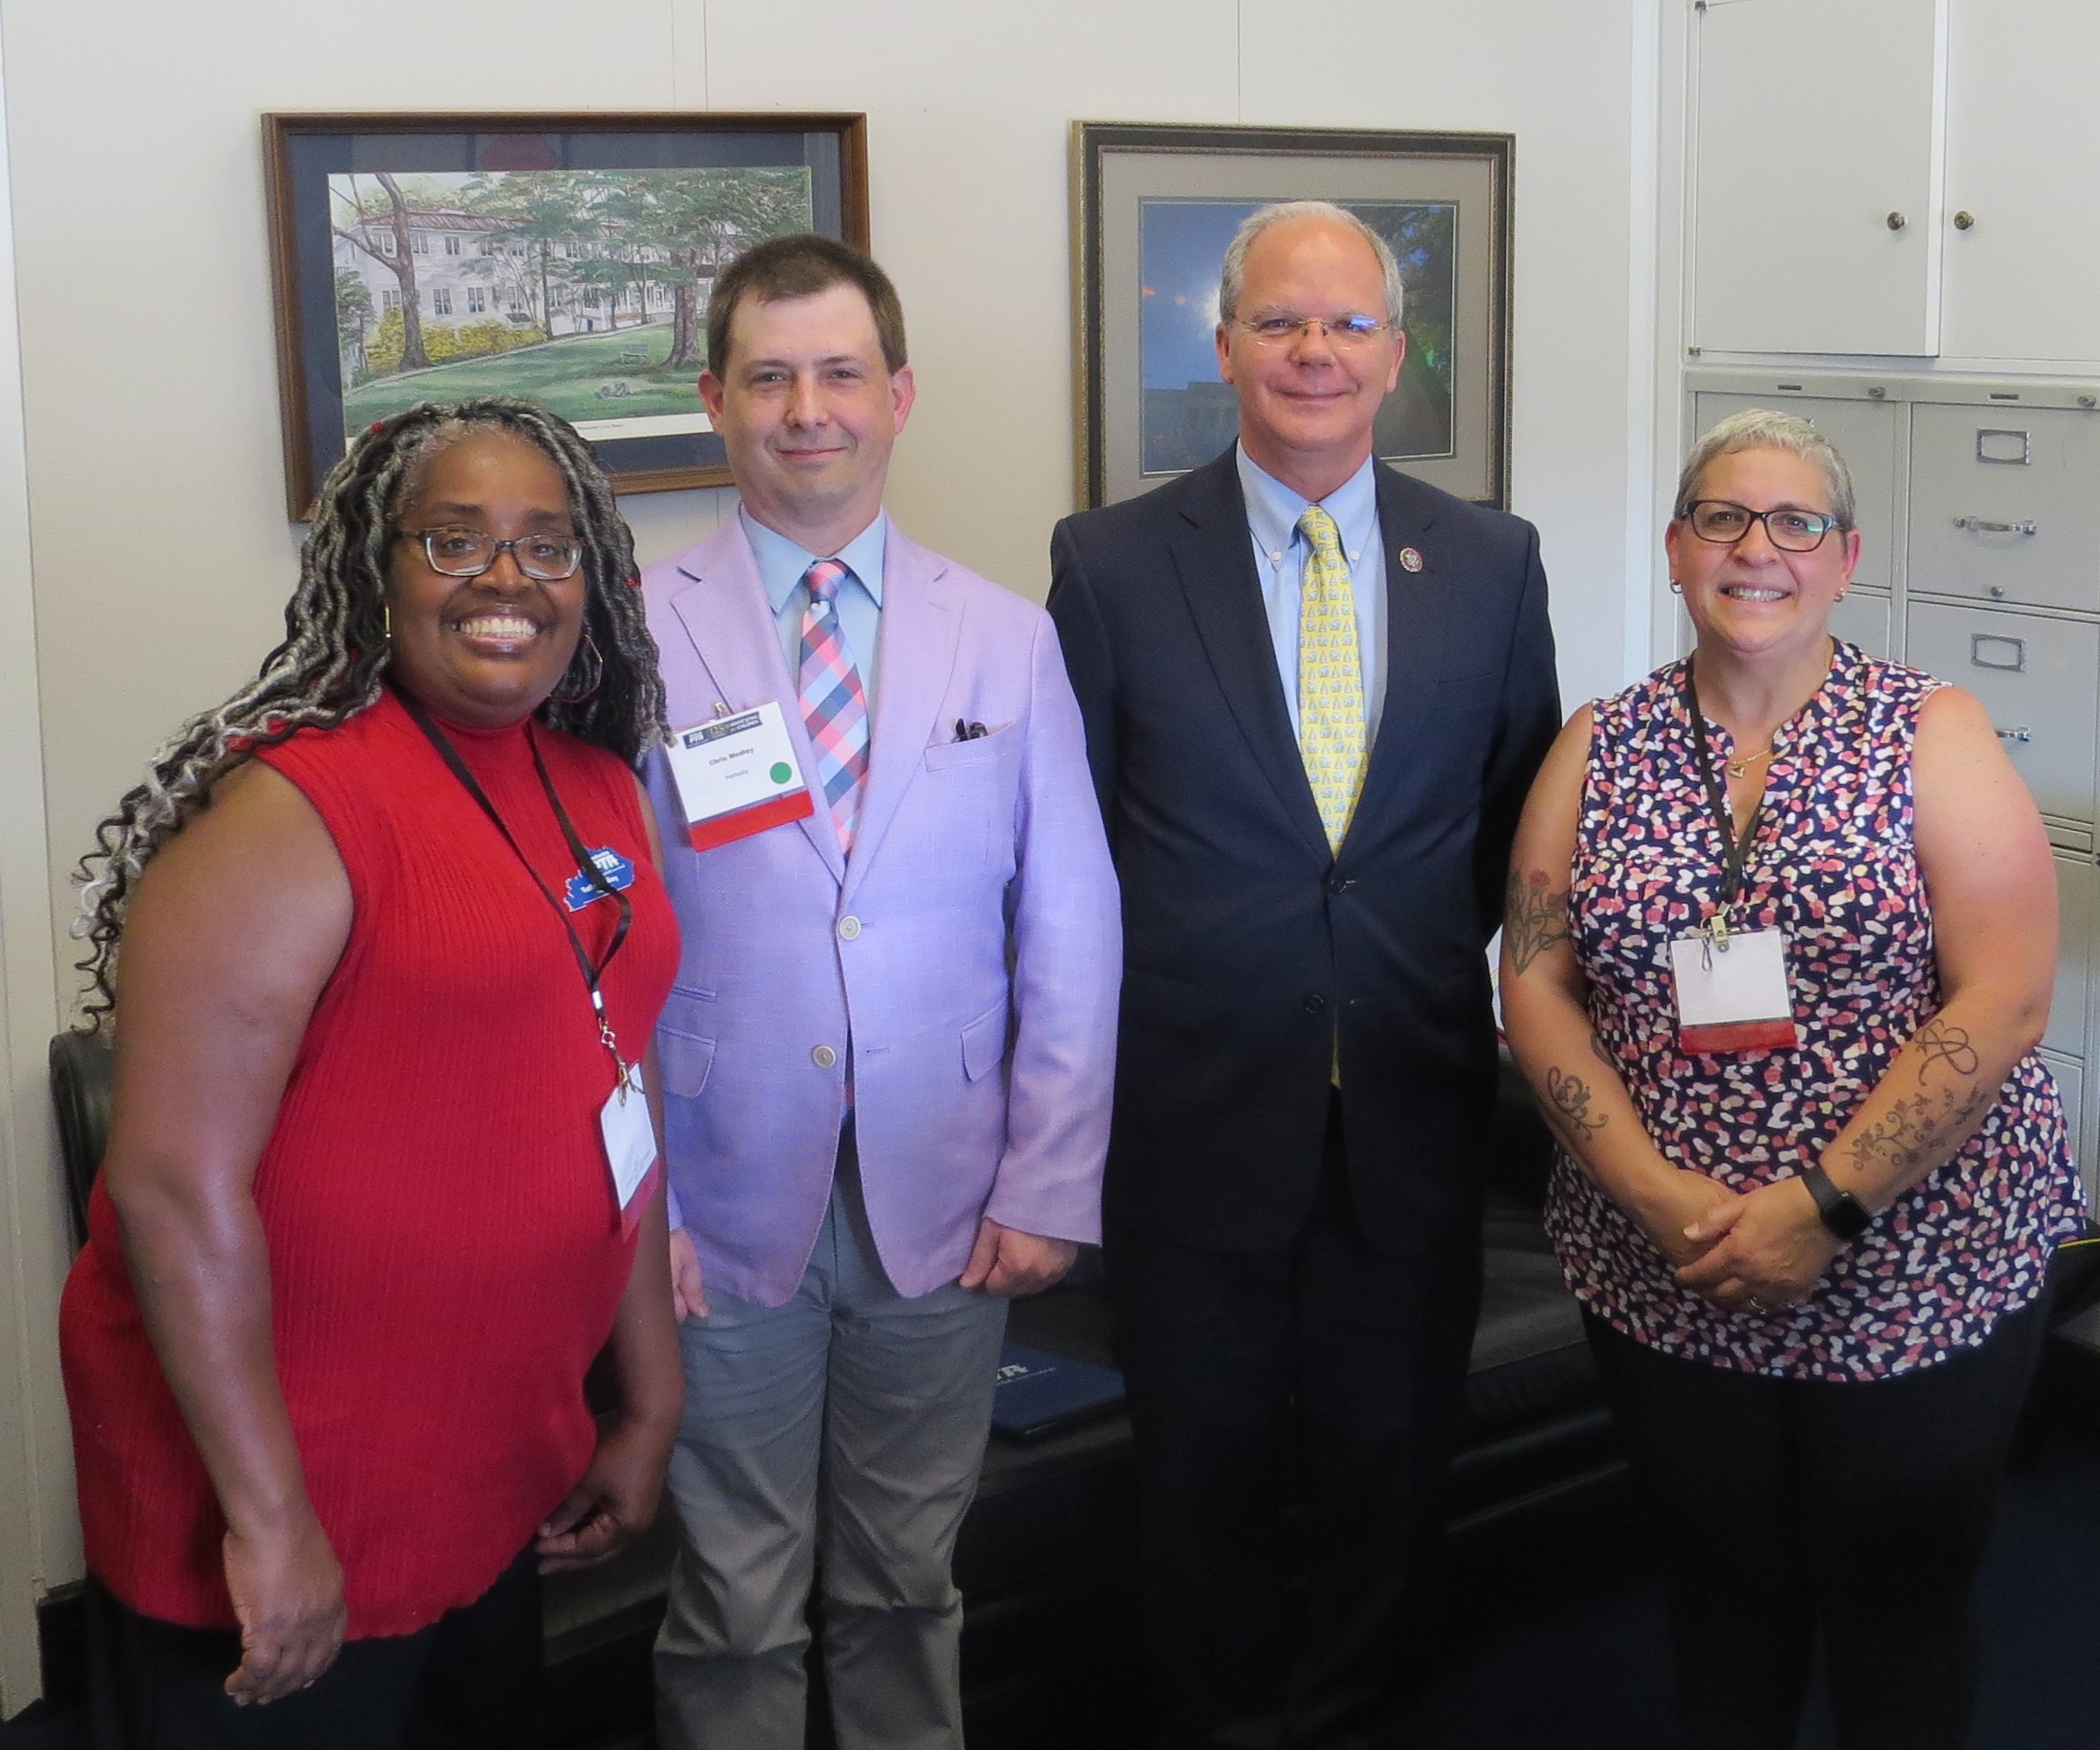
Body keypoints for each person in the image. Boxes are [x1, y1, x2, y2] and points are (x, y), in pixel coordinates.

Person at [57, 399, 683, 1749]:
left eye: (546, 544)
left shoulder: (597, 787)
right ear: (372, 570)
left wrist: (650, 1393)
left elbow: (614, 1091)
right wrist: (272, 1524)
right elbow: (171, 1189)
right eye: (452, 544)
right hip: (288, 1487)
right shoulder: (286, 810)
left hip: (487, 1460)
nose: (507, 580)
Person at [1047, 200, 1560, 1748]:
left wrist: (1391, 962)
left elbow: (1511, 827)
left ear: (1396, 354)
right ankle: (1217, 1720)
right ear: (1222, 348)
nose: (1313, 354)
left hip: (1407, 1099)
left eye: (1347, 324)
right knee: (1197, 1466)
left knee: (1386, 1456)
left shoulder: (1488, 557)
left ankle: (1346, 1709)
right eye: (1279, 322)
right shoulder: (1114, 561)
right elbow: (1067, 843)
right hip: (1193, 1108)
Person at [1499, 408, 2086, 1750]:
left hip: (1912, 1255)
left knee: (1896, 1604)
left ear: (1842, 556)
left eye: (1792, 522)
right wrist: (1654, 1198)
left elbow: (2004, 993)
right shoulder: (1601, 745)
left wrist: (1820, 1206)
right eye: (1720, 517)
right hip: (1669, 1261)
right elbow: (1533, 979)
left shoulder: (1928, 733)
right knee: (1722, 1590)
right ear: (1672, 549)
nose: (1753, 549)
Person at [640, 234, 1119, 1750]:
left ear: (897, 393)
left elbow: (1070, 924)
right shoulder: (633, 632)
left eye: (840, 372)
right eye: (769, 377)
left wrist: (1051, 1180)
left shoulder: (1007, 634)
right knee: (731, 1591)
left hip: (954, 1191)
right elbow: (587, 952)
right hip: (716, 1203)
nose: (807, 409)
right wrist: (630, 1217)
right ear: (714, 400)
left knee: (912, 1581)